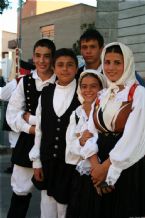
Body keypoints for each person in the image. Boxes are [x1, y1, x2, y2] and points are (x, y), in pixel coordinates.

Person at [91, 42, 145, 217]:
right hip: (101, 163)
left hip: (127, 164)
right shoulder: (104, 94)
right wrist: (95, 169)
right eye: (107, 62)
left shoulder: (139, 94)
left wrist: (107, 169)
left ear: (127, 64)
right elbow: (89, 131)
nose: (111, 68)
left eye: (117, 62)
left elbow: (133, 137)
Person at [6, 38, 56, 218]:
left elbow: (61, 119)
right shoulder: (25, 82)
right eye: (38, 56)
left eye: (47, 56)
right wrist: (31, 129)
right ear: (33, 58)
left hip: (54, 145)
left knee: (51, 197)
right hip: (27, 143)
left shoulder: (61, 82)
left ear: (52, 58)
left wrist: (31, 118)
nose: (42, 61)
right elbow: (12, 115)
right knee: (20, 192)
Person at [29, 48, 80, 218]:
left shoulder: (83, 92)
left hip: (71, 164)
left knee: (66, 207)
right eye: (60, 65)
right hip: (48, 159)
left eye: (70, 65)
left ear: (76, 68)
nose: (65, 69)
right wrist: (36, 162)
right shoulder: (46, 93)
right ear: (54, 67)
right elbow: (39, 130)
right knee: (47, 206)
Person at [65, 69, 106, 218]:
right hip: (82, 176)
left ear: (101, 89)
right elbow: (70, 146)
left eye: (93, 86)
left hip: (104, 172)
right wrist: (81, 141)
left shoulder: (106, 111)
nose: (88, 90)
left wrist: (84, 141)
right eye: (84, 86)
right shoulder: (76, 114)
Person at [77, 28, 145, 86]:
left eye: (92, 47)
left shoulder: (119, 73)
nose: (88, 51)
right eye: (84, 47)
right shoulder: (75, 75)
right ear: (80, 50)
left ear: (101, 49)